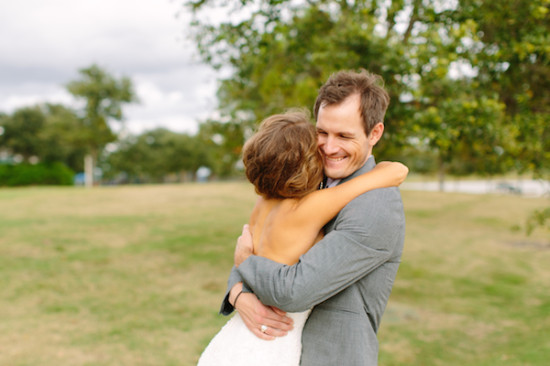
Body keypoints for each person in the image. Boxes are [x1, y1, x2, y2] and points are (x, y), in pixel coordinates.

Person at [220, 69, 406, 365]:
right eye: (322, 133)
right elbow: (260, 242)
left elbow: (292, 290)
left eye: (344, 136)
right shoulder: (304, 178)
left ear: (375, 133)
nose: (329, 148)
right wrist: (238, 294)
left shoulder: (377, 204)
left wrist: (245, 264)